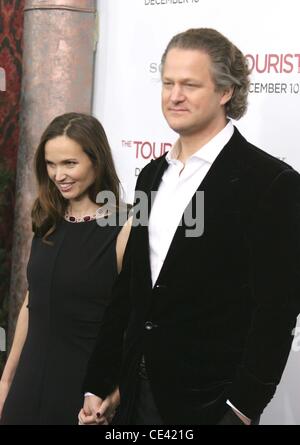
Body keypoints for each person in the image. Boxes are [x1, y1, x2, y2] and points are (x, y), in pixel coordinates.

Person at [79, 29, 300, 426]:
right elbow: (129, 289)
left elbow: (277, 313)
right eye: (168, 83)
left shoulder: (270, 182)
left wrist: (241, 410)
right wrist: (100, 381)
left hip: (209, 405)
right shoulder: (150, 176)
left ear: (225, 92)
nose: (174, 95)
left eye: (190, 84)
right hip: (132, 397)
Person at [0, 112, 130, 425]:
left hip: (83, 396)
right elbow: (33, 303)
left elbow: (134, 327)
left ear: (96, 162)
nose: (59, 175)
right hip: (26, 389)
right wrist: (5, 381)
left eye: (70, 163)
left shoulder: (125, 226)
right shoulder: (47, 219)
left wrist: (111, 398)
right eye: (51, 164)